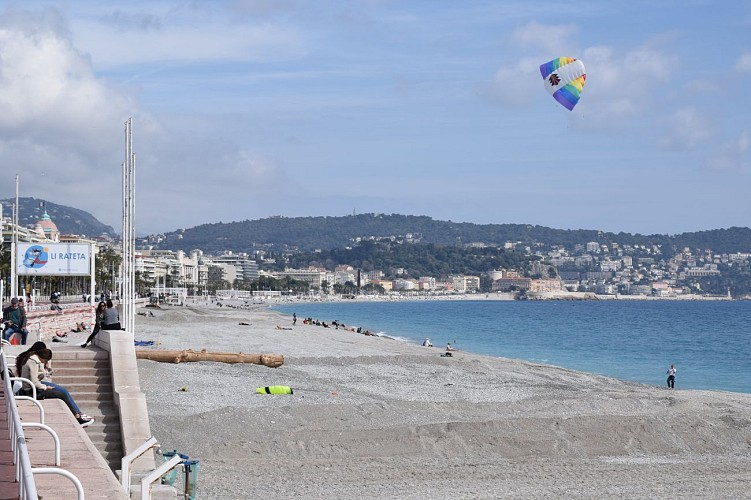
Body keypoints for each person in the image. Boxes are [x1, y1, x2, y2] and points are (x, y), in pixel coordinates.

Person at [20, 348, 95, 427]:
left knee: (62, 390)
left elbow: (37, 377)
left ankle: (79, 413)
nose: (45, 362)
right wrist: (45, 387)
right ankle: (77, 417)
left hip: (35, 386)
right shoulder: (33, 362)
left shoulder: (34, 358)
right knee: (61, 394)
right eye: (45, 361)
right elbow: (34, 382)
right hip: (31, 390)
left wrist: (46, 369)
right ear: (42, 357)